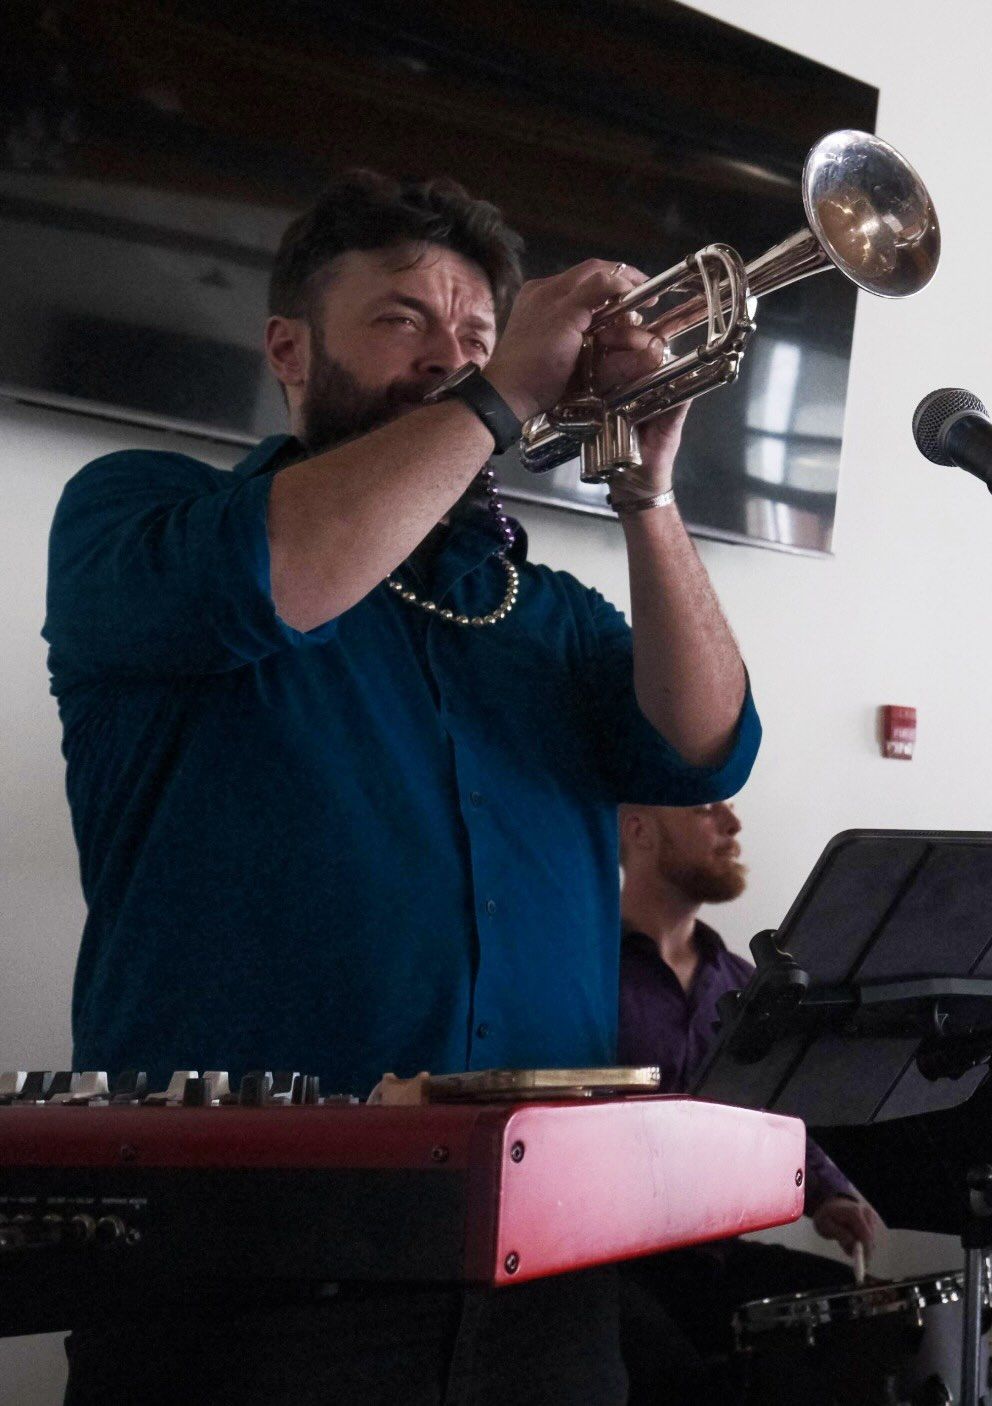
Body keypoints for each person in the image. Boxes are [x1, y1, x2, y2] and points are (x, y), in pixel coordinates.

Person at [44, 170, 759, 1403]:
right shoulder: (141, 512)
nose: (449, 355)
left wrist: (648, 488)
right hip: (243, 1268)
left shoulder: (549, 609)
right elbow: (282, 576)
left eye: (477, 330)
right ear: (288, 348)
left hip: (544, 1265)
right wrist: (505, 385)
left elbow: (705, 746)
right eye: (401, 319)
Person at [612, 801, 887, 1404]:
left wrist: (830, 1193)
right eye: (706, 810)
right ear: (638, 829)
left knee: (869, 1321)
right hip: (606, 1270)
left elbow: (774, 1111)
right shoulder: (581, 973)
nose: (733, 824)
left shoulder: (740, 982)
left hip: (712, 1257)